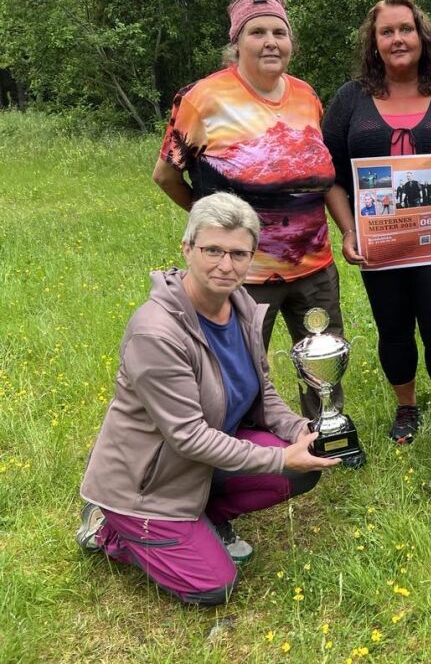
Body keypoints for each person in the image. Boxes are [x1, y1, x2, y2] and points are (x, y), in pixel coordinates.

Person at [76, 193, 340, 605]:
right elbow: (188, 437)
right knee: (214, 587)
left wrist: (302, 430)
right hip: (149, 482)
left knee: (303, 470)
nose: (225, 265)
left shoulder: (241, 306)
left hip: (202, 462)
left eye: (238, 253)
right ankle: (109, 528)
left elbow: (263, 391)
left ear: (252, 255)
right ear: (187, 249)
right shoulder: (156, 332)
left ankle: (205, 517)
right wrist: (280, 457)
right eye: (212, 250)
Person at [151, 0, 348, 428]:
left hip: (315, 265)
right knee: (235, 366)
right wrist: (217, 230)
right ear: (236, 42)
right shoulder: (202, 99)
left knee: (324, 355)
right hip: (243, 272)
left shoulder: (306, 96)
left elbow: (323, 174)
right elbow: (166, 176)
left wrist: (348, 230)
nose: (270, 41)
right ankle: (234, 438)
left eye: (280, 31)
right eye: (257, 31)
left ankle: (327, 431)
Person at [322, 0, 431, 445]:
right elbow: (330, 175)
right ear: (374, 41)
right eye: (387, 31)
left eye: (406, 29)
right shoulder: (350, 98)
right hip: (380, 243)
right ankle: (405, 407)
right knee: (393, 327)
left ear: (422, 36)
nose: (398, 38)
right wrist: (347, 231)